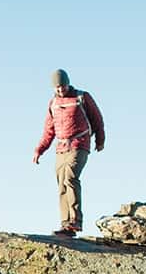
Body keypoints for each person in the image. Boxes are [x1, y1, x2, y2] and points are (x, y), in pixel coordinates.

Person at [33, 69, 106, 238]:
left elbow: (97, 119)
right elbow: (49, 130)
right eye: (57, 87)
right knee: (61, 184)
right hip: (61, 147)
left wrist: (100, 140)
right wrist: (39, 150)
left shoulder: (82, 97)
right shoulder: (53, 103)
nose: (61, 90)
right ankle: (66, 224)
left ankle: (75, 220)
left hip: (79, 144)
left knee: (70, 178)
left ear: (68, 83)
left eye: (63, 86)